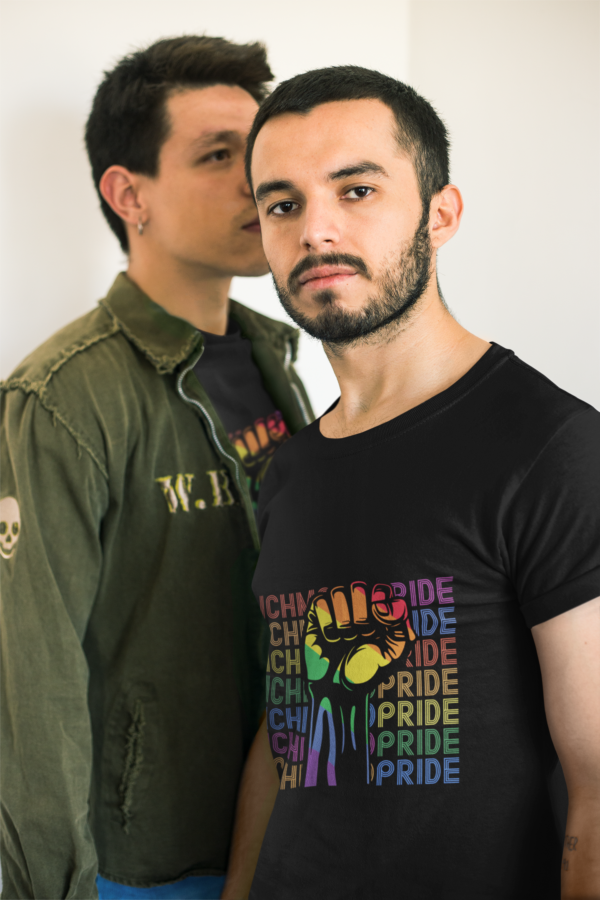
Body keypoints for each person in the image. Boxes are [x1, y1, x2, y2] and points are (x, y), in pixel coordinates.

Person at [240, 66, 600, 899]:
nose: (316, 231)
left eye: (356, 190)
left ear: (441, 215)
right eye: (282, 204)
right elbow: (288, 729)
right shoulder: (289, 468)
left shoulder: (550, 446)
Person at [0, 36, 312, 900]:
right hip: (142, 865)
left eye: (258, 153)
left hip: (284, 833)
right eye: (218, 156)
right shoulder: (61, 397)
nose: (255, 181)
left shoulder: (278, 359)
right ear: (127, 193)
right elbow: (33, 684)